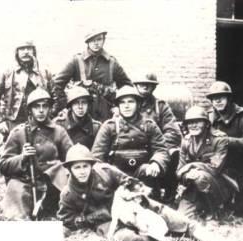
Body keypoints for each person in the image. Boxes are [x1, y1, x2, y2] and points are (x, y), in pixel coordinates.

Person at [58, 144, 243, 241]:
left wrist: (135, 194)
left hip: (132, 207)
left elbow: (131, 182)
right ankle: (172, 240)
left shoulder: (104, 171)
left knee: (183, 222)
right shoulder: (68, 194)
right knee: (132, 239)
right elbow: (67, 219)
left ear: (91, 165)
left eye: (85, 166)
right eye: (77, 167)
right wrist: (96, 216)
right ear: (70, 169)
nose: (82, 171)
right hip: (109, 222)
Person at [0, 88, 73, 220]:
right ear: (30, 110)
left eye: (45, 106)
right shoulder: (18, 132)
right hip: (25, 182)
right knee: (17, 216)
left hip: (53, 183)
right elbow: (3, 165)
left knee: (66, 209)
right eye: (36, 107)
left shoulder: (59, 131)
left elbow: (72, 158)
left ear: (50, 108)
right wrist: (22, 157)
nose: (41, 110)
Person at [91, 85, 170, 198]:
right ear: (118, 106)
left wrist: (156, 163)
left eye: (130, 102)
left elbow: (161, 150)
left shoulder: (149, 126)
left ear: (138, 104)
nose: (126, 106)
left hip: (144, 178)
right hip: (117, 179)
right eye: (122, 103)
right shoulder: (110, 127)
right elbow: (97, 157)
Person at [206, 81, 243, 218]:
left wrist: (225, 141)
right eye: (214, 98)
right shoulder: (209, 118)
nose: (218, 101)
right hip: (220, 166)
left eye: (221, 96)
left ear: (229, 98)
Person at [52, 29, 132, 121]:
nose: (96, 43)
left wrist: (118, 106)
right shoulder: (77, 60)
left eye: (99, 39)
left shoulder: (112, 63)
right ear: (87, 42)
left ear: (103, 40)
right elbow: (57, 83)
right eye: (92, 40)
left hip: (106, 114)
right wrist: (64, 104)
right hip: (80, 113)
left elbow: (127, 87)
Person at [176, 106, 235, 219]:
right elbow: (179, 171)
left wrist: (191, 166)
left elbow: (215, 168)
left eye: (197, 122)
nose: (193, 125)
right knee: (182, 217)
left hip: (218, 185)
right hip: (193, 185)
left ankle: (217, 211)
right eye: (190, 122)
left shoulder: (219, 139)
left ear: (207, 124)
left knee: (200, 177)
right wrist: (187, 175)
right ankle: (202, 207)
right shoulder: (186, 141)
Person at [0, 40, 53, 139]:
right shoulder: (8, 73)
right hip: (14, 123)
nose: (26, 52)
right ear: (17, 52)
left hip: (41, 122)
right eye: (22, 49)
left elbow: (57, 96)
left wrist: (51, 117)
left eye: (29, 48)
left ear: (34, 51)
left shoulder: (44, 72)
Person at [133, 73, 182, 202]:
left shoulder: (160, 107)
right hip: (134, 150)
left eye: (148, 84)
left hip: (156, 150)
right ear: (135, 85)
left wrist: (156, 146)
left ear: (153, 87)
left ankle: (168, 194)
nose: (144, 86)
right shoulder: (128, 104)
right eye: (141, 83)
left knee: (173, 153)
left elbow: (173, 132)